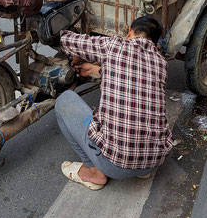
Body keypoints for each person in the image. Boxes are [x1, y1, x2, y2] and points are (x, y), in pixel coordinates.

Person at [55, 16, 174, 190]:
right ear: (154, 43)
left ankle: (94, 172)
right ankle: (141, 171)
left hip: (114, 165)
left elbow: (68, 41)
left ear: (130, 32)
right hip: (153, 161)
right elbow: (134, 77)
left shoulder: (114, 46)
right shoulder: (161, 63)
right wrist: (99, 70)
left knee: (64, 100)